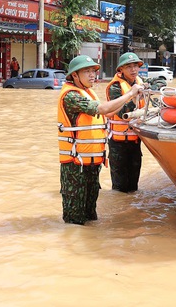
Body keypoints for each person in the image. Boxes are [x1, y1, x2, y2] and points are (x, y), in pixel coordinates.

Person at [58, 55, 144, 225]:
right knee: (75, 220)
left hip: (91, 165)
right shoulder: (71, 96)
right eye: (87, 71)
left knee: (90, 216)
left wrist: (135, 96)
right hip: (76, 166)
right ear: (75, 75)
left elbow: (109, 113)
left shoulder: (88, 92)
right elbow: (103, 108)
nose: (92, 75)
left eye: (93, 71)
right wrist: (130, 94)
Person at [105, 52, 149, 193]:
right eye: (129, 67)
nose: (133, 70)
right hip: (118, 144)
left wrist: (149, 86)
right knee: (120, 188)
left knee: (134, 187)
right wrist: (134, 97)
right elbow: (121, 113)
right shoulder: (115, 87)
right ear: (121, 70)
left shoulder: (140, 82)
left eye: (135, 66)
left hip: (135, 141)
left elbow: (160, 83)